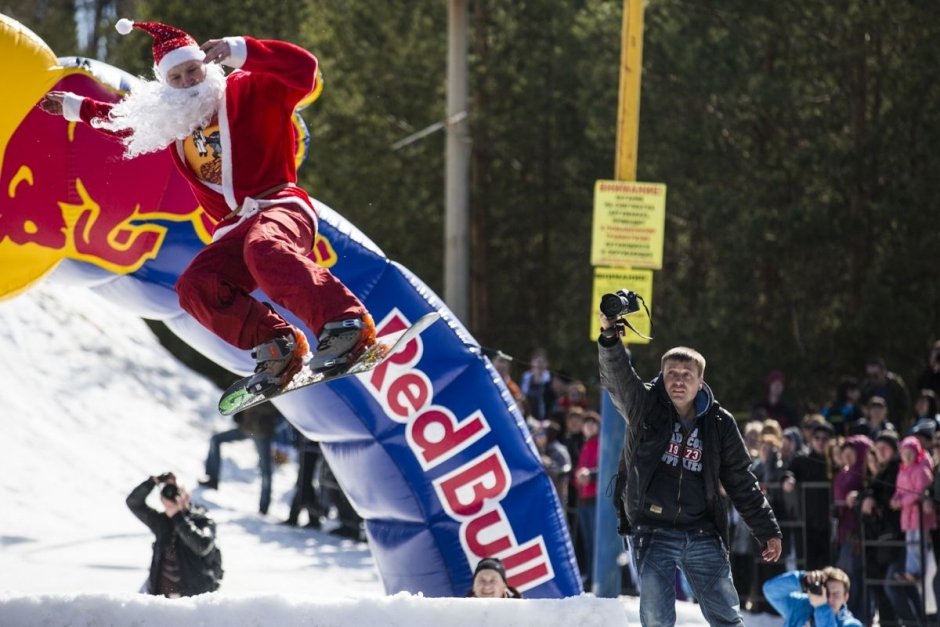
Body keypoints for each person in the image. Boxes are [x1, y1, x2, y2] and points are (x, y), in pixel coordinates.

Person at [38, 18, 375, 397]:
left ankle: (345, 323)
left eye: (192, 70)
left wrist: (240, 50)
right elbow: (123, 124)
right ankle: (277, 346)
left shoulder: (248, 88)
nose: (188, 83)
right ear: (165, 84)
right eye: (177, 78)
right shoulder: (173, 120)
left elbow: (305, 69)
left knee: (264, 249)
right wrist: (72, 106)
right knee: (197, 287)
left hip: (278, 203)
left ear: (207, 65)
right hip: (234, 224)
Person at [597, 313, 782, 627]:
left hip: (701, 532)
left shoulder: (720, 423)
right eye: (671, 373)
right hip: (652, 531)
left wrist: (767, 530)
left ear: (700, 382)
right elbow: (618, 380)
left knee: (726, 616)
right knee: (656, 618)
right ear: (662, 376)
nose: (678, 380)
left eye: (686, 374)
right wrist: (610, 338)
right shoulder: (645, 406)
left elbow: (741, 481)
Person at [126, 473, 222, 597]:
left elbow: (201, 546)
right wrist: (154, 481)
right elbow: (133, 503)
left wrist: (177, 516)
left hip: (193, 598)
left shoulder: (202, 519)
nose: (173, 495)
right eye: (168, 491)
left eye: (178, 491)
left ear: (187, 495)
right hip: (160, 596)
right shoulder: (163, 521)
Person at [198, 405, 277, 515]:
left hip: (261, 432)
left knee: (265, 470)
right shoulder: (251, 388)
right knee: (215, 439)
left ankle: (264, 507)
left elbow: (272, 409)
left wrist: (253, 405)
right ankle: (212, 479)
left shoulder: (272, 391)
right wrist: (240, 413)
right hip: (246, 428)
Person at [783, 421, 835, 570]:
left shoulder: (834, 461)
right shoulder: (802, 459)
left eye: (825, 439)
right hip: (807, 524)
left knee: (829, 569)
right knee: (808, 570)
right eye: (817, 438)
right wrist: (788, 479)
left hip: (830, 525)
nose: (820, 441)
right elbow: (788, 471)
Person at [762, 567, 862, 627]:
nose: (829, 599)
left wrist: (821, 607)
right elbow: (770, 590)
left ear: (845, 597)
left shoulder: (851, 624)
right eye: (825, 592)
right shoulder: (801, 605)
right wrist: (803, 580)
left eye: (836, 594)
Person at [573, 410, 601, 589]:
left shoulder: (601, 443)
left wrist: (589, 476)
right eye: (586, 423)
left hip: (596, 499)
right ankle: (590, 576)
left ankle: (597, 576)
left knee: (596, 541)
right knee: (588, 542)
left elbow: (607, 468)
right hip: (584, 499)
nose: (589, 426)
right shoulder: (585, 445)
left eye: (593, 423)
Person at [284, 429, 327, 528]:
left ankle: (297, 516)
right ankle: (311, 518)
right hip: (308, 444)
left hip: (311, 445)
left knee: (304, 481)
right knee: (304, 482)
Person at [862, 357, 910, 435]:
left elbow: (904, 405)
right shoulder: (866, 387)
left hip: (893, 423)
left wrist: (899, 422)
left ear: (883, 372)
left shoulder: (895, 385)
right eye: (869, 375)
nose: (872, 379)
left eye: (875, 375)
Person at [520, 348, 555, 421]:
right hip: (528, 416)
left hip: (544, 417)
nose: (539, 365)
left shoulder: (550, 379)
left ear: (547, 364)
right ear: (532, 363)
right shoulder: (526, 377)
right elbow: (523, 394)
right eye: (537, 362)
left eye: (542, 362)